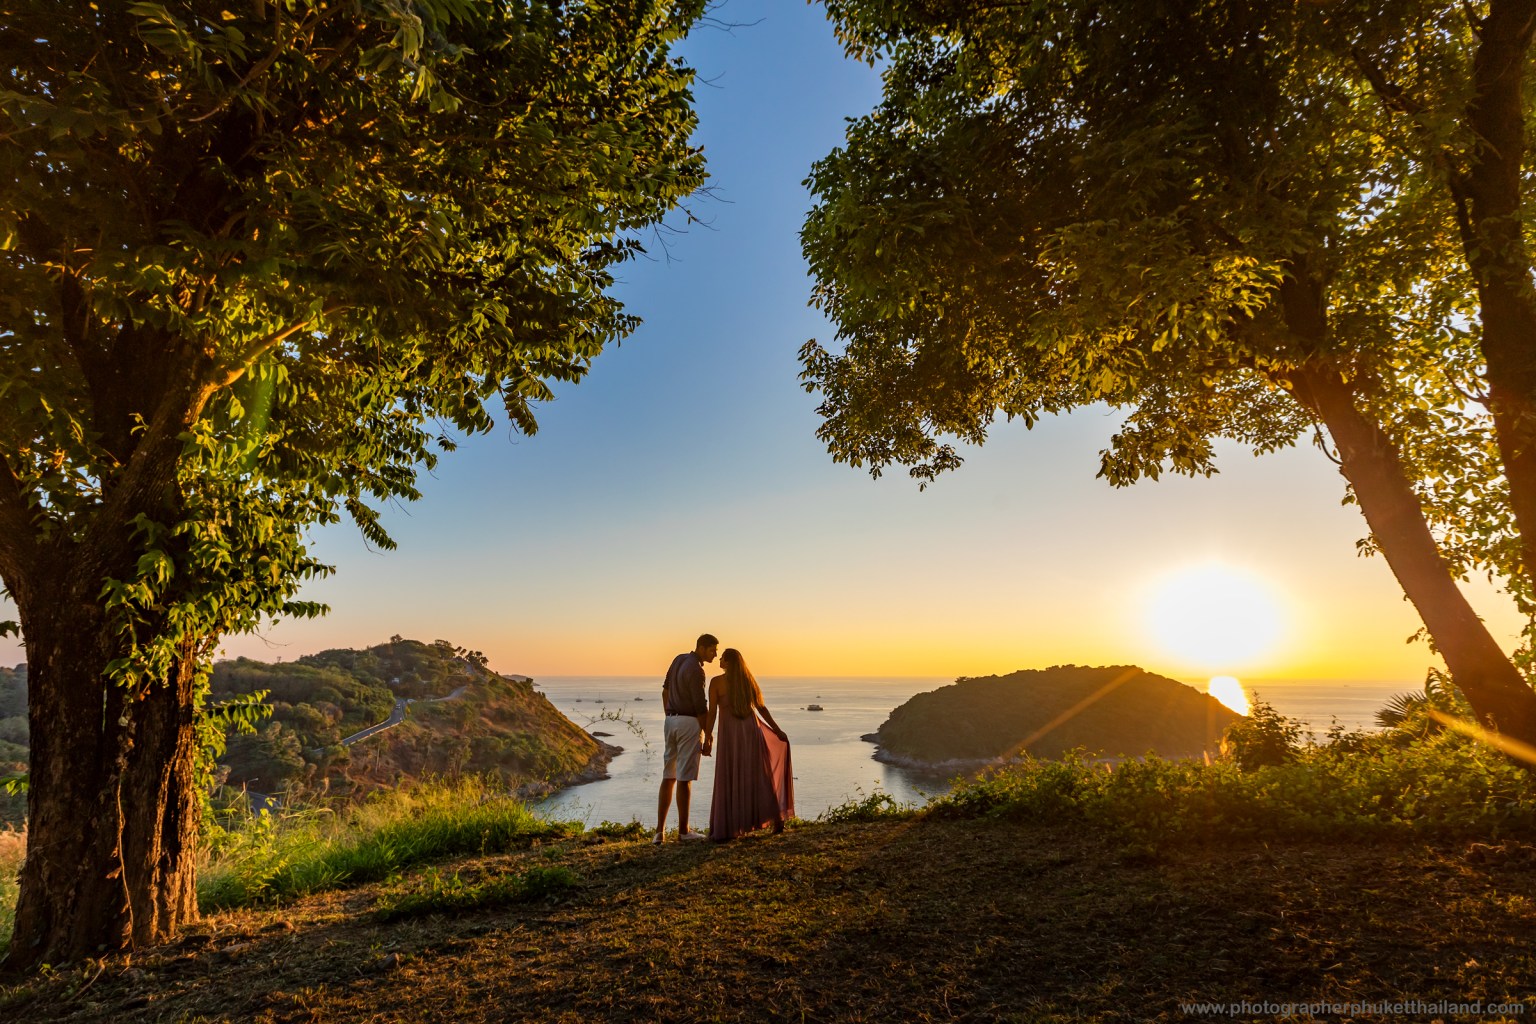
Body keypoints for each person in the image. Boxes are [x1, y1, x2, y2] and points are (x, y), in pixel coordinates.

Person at [704, 648, 794, 842]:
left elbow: (712, 713)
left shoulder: (716, 682)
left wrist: (708, 736)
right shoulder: (748, 681)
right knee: (759, 775)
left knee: (730, 775)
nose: (719, 660)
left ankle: (730, 827)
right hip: (750, 731)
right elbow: (761, 707)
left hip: (731, 734)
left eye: (722, 658)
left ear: (728, 662)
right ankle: (777, 820)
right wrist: (777, 730)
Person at [655, 633, 718, 843]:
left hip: (670, 721)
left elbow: (665, 691)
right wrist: (708, 735)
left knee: (668, 775)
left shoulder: (678, 659)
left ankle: (659, 832)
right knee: (684, 778)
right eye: (712, 650)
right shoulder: (697, 670)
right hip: (689, 722)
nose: (715, 654)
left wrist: (669, 714)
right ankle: (684, 831)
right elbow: (701, 707)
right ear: (701, 648)